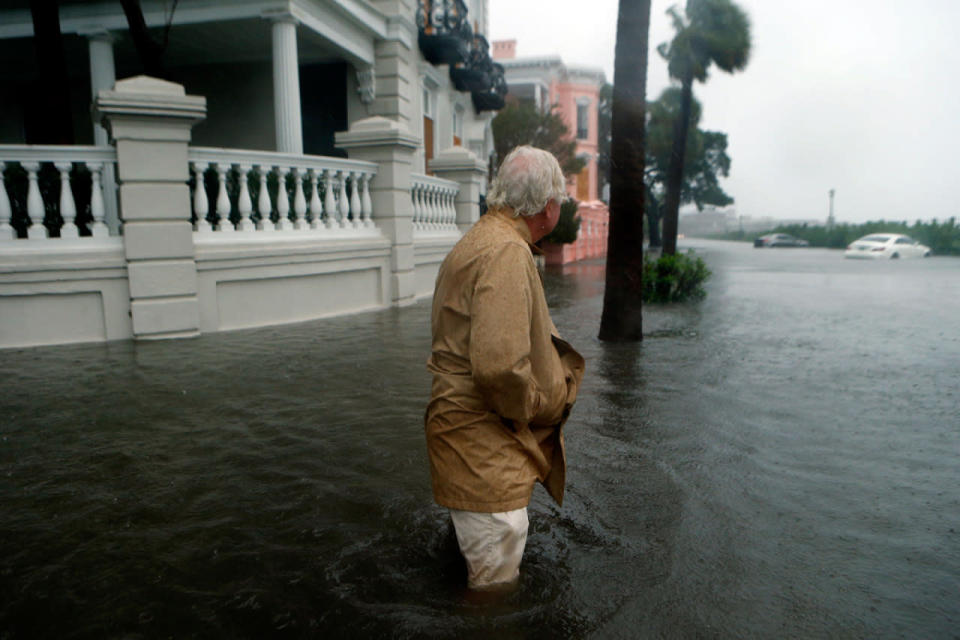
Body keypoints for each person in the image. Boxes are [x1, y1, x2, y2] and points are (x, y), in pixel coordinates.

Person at [425, 145, 586, 591]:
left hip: (471, 442)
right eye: (561, 200)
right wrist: (541, 405)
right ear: (547, 206)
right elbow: (499, 370)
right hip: (484, 450)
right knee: (492, 599)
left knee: (469, 573)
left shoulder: (481, 238)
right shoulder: (506, 252)